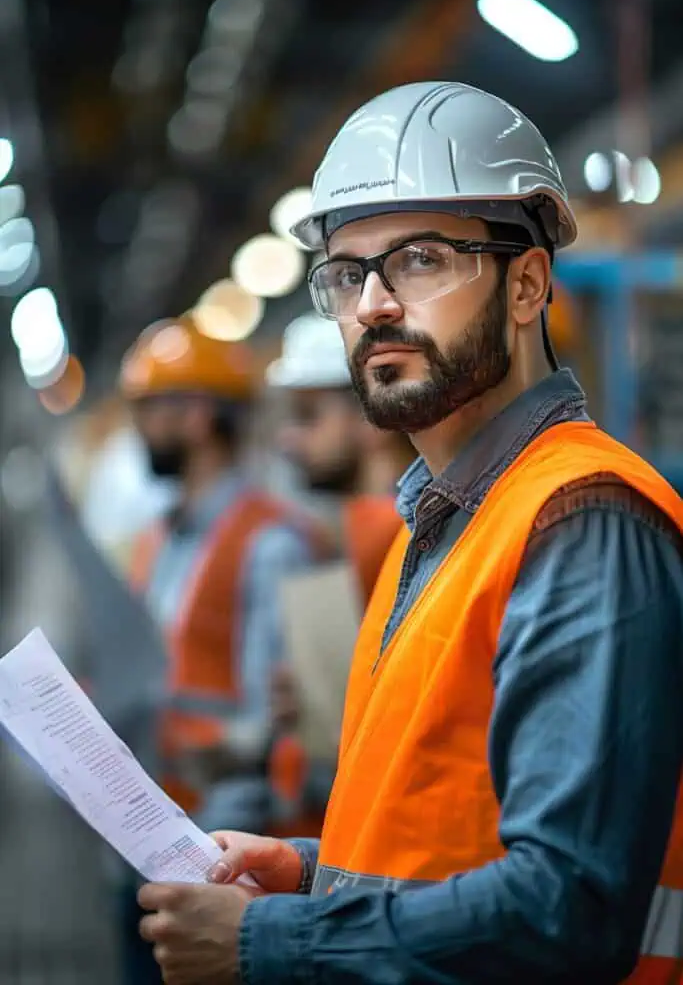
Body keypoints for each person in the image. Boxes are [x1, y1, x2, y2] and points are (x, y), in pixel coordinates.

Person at [137, 82, 683, 985]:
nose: (374, 305)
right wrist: (307, 873)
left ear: (527, 284)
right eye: (348, 273)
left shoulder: (580, 521)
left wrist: (262, 942)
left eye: (420, 260)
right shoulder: (436, 527)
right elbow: (441, 834)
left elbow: (567, 906)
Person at [117, 315, 318, 983]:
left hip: (220, 844)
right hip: (148, 826)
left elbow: (284, 714)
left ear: (198, 414)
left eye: (151, 409)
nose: (140, 427)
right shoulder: (158, 539)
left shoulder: (270, 543)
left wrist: (226, 748)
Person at [264, 312, 410, 837]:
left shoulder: (395, 538)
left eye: (308, 416)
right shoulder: (348, 534)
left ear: (372, 419)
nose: (287, 439)